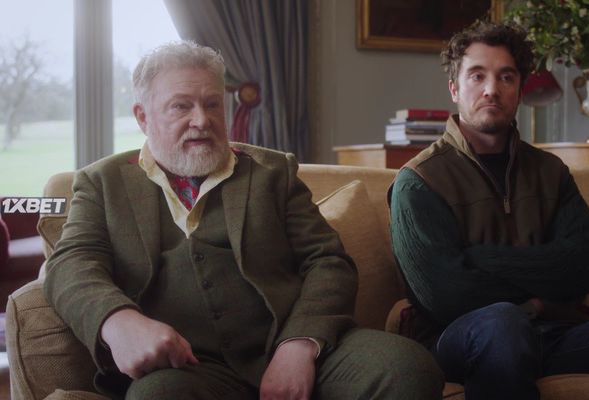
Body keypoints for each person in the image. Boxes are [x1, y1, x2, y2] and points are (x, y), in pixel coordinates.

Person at [44, 41, 444, 400]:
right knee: (156, 396)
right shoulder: (102, 183)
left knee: (407, 368)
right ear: (142, 116)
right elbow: (71, 263)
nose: (202, 120)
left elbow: (328, 261)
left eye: (212, 104)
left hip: (293, 346)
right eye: (181, 106)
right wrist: (118, 321)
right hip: (189, 370)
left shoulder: (273, 171)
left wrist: (300, 343)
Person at [389, 21, 589, 400]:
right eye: (477, 76)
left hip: (559, 337)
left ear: (520, 90)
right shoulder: (419, 181)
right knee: (503, 323)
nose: (491, 89)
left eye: (506, 77)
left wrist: (482, 259)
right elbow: (446, 297)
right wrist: (539, 295)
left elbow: (587, 266)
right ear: (454, 88)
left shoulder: (550, 171)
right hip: (462, 341)